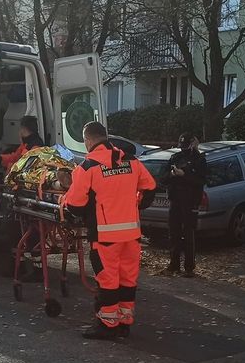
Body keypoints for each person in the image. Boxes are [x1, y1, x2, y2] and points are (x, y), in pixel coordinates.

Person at [63, 121, 156, 340]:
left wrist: (77, 211)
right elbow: (150, 187)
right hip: (131, 235)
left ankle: (107, 325)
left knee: (108, 281)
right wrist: (135, 206)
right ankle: (124, 322)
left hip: (105, 237)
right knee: (127, 279)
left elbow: (75, 205)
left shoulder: (88, 167)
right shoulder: (130, 161)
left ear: (88, 140)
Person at [162, 133, 207, 278]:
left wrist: (184, 175)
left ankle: (189, 267)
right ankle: (174, 264)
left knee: (188, 233)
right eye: (181, 146)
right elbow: (162, 179)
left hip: (190, 201)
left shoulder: (199, 160)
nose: (183, 149)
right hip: (175, 200)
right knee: (173, 233)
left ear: (192, 144)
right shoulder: (175, 158)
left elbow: (200, 181)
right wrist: (172, 175)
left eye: (186, 146)